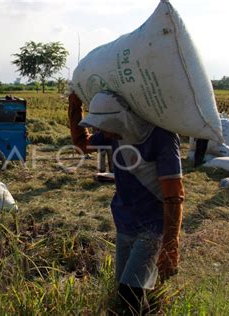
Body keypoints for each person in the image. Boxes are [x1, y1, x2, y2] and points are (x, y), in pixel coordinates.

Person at [69, 90, 184, 315]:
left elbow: (174, 195)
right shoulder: (114, 132)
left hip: (153, 225)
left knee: (129, 292)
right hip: (125, 220)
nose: (102, 132)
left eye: (105, 126)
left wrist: (171, 245)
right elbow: (82, 144)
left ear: (124, 118)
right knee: (129, 291)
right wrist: (74, 105)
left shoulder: (161, 136)